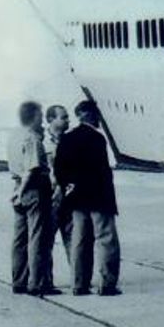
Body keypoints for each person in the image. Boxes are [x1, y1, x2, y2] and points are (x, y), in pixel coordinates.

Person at [55, 100, 120, 296]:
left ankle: (79, 284)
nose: (99, 117)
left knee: (80, 241)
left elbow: (59, 168)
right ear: (89, 114)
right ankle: (107, 284)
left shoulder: (67, 138)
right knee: (106, 239)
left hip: (76, 197)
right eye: (96, 113)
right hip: (99, 197)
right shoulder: (97, 139)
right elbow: (102, 171)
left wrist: (69, 184)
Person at [9, 100, 58, 296]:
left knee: (19, 239)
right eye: (41, 115)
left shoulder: (14, 137)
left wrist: (16, 192)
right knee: (38, 237)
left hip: (16, 187)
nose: (43, 120)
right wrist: (22, 192)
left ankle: (18, 281)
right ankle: (37, 283)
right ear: (35, 116)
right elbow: (32, 170)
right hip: (33, 189)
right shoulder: (32, 139)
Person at [45, 105, 73, 261]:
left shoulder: (72, 141)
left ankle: (79, 281)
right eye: (63, 117)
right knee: (46, 240)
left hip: (69, 197)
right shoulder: (42, 143)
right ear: (50, 119)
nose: (68, 120)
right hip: (50, 197)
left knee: (73, 240)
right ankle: (45, 282)